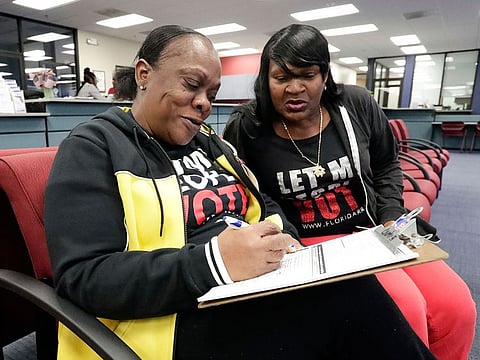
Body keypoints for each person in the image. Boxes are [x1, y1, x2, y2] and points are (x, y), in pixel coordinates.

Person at [45, 25, 436, 359]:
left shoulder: (209, 141)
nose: (202, 103)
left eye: (211, 93)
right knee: (351, 304)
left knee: (348, 295)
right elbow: (83, 277)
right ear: (144, 73)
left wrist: (288, 243)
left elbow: (262, 200)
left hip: (244, 288)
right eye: (191, 85)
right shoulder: (94, 145)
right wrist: (215, 262)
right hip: (168, 319)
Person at [223, 24, 476, 360]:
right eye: (281, 78)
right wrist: (284, 234)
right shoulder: (248, 126)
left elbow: (387, 163)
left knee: (457, 307)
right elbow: (247, 192)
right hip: (307, 244)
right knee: (406, 310)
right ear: (265, 80)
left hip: (373, 230)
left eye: (307, 75)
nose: (295, 88)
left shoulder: (355, 104)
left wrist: (390, 216)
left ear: (324, 76)